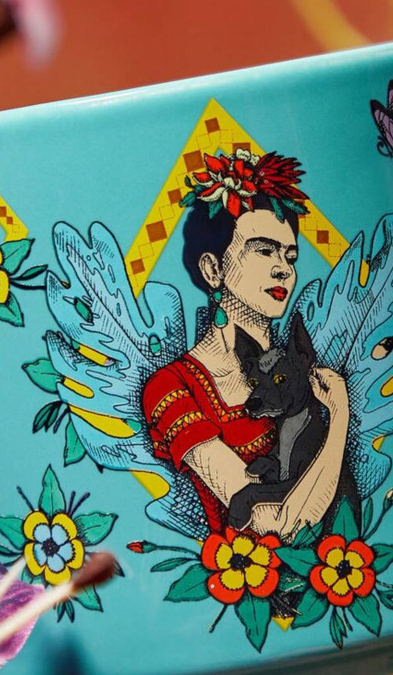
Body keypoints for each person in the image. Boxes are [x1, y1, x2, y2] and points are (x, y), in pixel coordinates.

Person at [142, 149, 349, 539]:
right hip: (247, 567)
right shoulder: (173, 386)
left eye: (290, 256)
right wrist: (339, 418)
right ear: (213, 269)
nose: (283, 269)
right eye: (264, 250)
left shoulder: (302, 367)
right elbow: (277, 525)